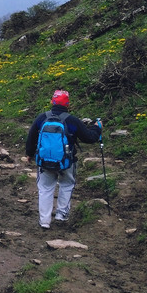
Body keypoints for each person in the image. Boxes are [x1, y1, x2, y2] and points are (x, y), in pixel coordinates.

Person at [25, 89, 102, 229]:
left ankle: (44, 221)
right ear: (68, 104)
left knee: (45, 189)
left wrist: (29, 154)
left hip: (44, 162)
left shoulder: (42, 118)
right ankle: (61, 215)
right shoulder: (72, 121)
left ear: (52, 102)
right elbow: (90, 138)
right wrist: (97, 128)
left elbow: (32, 137)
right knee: (67, 185)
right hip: (67, 162)